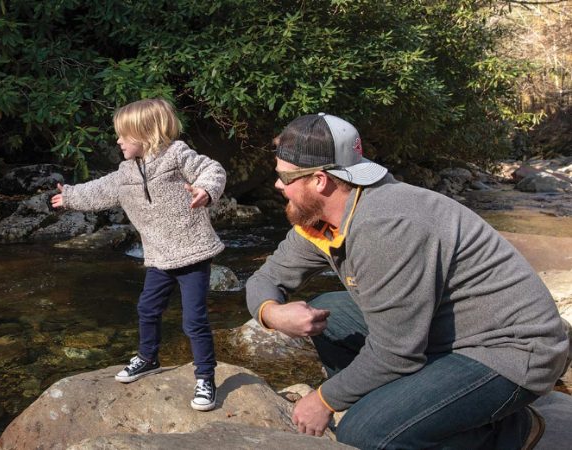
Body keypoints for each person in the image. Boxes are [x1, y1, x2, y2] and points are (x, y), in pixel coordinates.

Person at [246, 113, 569, 448]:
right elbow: (266, 278)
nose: (277, 185)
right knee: (331, 314)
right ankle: (405, 409)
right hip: (445, 334)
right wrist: (272, 314)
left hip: (512, 350)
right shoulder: (326, 217)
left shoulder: (386, 226)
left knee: (363, 433)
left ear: (319, 180)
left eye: (284, 176)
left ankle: (506, 434)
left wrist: (323, 400)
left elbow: (397, 354)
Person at [50, 98, 226, 411]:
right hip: (159, 257)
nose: (117, 140)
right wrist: (71, 196)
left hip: (193, 252)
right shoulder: (125, 173)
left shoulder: (176, 155)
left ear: (147, 133)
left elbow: (211, 168)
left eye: (124, 135)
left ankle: (205, 377)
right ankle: (148, 358)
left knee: (194, 319)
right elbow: (100, 190)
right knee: (147, 308)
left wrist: (205, 190)